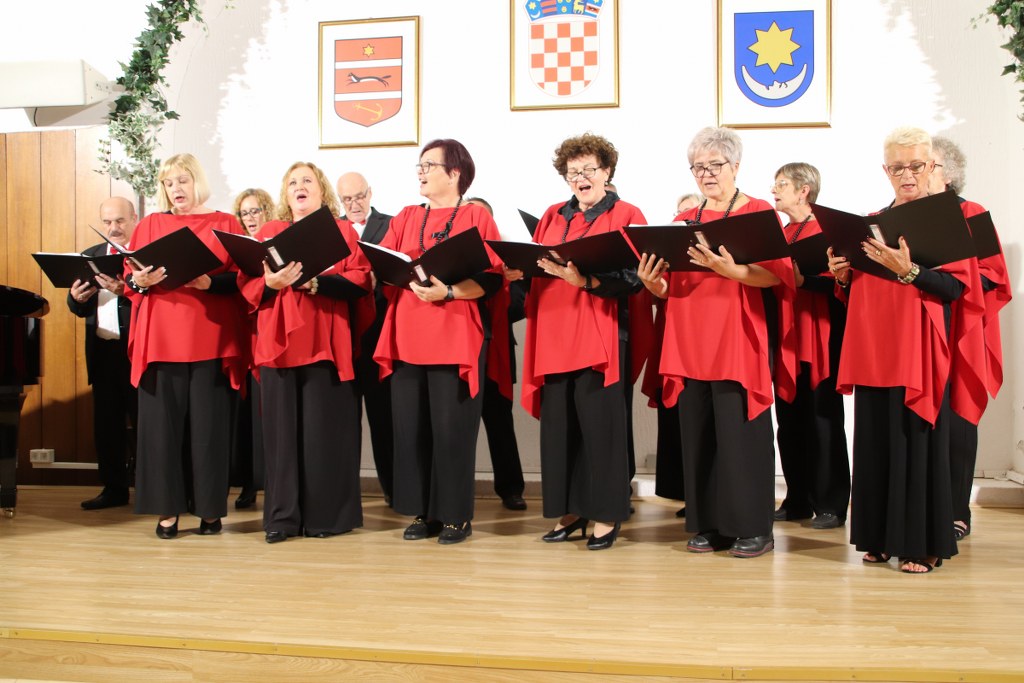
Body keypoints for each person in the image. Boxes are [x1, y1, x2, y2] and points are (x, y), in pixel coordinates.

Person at [830, 126, 984, 574]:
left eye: (916, 165)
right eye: (897, 168)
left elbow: (956, 289)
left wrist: (910, 270)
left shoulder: (943, 218)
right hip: (873, 344)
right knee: (874, 438)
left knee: (916, 441)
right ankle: (877, 537)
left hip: (919, 347)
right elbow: (856, 288)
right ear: (886, 171)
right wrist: (842, 275)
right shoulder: (870, 223)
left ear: (932, 166)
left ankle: (921, 544)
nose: (907, 175)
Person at [637, 126, 796, 559]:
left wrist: (734, 272)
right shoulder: (683, 223)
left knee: (741, 436)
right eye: (698, 167)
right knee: (700, 436)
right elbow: (669, 287)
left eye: (715, 165)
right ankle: (709, 525)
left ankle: (753, 527)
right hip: (688, 341)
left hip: (736, 338)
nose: (706, 174)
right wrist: (652, 284)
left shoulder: (759, 212)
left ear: (736, 166)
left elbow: (777, 277)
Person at [514, 132, 651, 551]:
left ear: (607, 171)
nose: (580, 177)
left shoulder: (628, 214)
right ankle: (571, 513)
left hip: (602, 335)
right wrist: (520, 269)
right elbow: (539, 268)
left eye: (589, 169)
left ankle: (607, 515)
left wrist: (586, 281)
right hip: (554, 333)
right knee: (561, 430)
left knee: (601, 430)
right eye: (572, 171)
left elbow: (634, 279)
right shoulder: (552, 215)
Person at [373, 139, 504, 545]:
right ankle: (423, 512)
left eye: (429, 165)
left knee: (452, 431)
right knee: (412, 429)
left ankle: (455, 516)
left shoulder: (476, 216)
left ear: (455, 172)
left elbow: (492, 278)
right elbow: (386, 266)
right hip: (407, 335)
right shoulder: (406, 217)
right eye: (420, 164)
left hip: (454, 334)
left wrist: (448, 292)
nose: (421, 171)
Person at [238, 162, 372, 543]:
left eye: (307, 181)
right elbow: (246, 285)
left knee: (322, 435)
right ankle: (281, 518)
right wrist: (270, 282)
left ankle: (325, 517)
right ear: (286, 194)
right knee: (280, 438)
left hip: (325, 342)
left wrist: (316, 284)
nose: (300, 186)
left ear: (321, 190)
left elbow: (360, 279)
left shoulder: (342, 231)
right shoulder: (269, 232)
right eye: (293, 182)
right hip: (278, 344)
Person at [125, 153, 250, 539]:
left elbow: (243, 279)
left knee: (209, 431)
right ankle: (167, 512)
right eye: (168, 183)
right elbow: (131, 278)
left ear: (197, 181)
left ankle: (210, 511)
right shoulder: (150, 224)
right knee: (162, 432)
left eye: (182, 180)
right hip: (161, 340)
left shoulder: (225, 223)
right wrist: (139, 282)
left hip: (210, 337)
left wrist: (209, 283)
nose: (175, 189)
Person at [929, 136, 1011, 542]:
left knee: (957, 417)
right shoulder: (899, 214)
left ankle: (957, 512)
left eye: (928, 164)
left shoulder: (970, 212)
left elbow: (993, 273)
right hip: (916, 331)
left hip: (958, 327)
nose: (916, 172)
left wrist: (948, 279)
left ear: (949, 173)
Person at [769, 163, 850, 529]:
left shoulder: (828, 230)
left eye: (782, 184)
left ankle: (831, 503)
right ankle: (797, 498)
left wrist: (804, 281)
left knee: (823, 419)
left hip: (820, 333)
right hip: (786, 333)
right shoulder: (780, 234)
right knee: (789, 420)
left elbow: (843, 283)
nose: (774, 190)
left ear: (804, 190)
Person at [68, 197, 139, 510]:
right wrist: (76, 298)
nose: (114, 228)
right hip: (102, 352)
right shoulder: (91, 256)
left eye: (120, 220)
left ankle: (150, 490)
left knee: (145, 425)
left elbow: (159, 303)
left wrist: (127, 291)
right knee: (107, 427)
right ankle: (114, 489)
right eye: (108, 222)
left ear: (134, 218)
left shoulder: (143, 256)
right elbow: (77, 307)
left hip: (137, 352)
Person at [336, 171, 395, 506]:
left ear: (370, 193)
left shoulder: (392, 225)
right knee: (344, 422)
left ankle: (394, 490)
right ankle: (345, 493)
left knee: (384, 419)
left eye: (359, 196)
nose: (354, 204)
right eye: (347, 199)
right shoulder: (331, 231)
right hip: (342, 335)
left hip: (379, 336)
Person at [466, 196, 528, 511]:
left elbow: (520, 305)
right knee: (458, 427)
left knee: (500, 425)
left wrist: (496, 288)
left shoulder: (507, 260)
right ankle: (456, 494)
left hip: (496, 351)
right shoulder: (456, 259)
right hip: (461, 350)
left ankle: (511, 490)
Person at [650, 192, 704, 518]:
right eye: (681, 214)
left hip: (702, 341)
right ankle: (684, 493)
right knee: (677, 417)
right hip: (672, 339)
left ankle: (701, 497)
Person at [230, 188, 275, 510]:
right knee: (242, 417)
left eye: (256, 210)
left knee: (267, 416)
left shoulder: (276, 243)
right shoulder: (236, 249)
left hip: (266, 334)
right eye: (244, 213)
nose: (250, 217)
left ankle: (271, 483)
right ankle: (247, 483)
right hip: (238, 334)